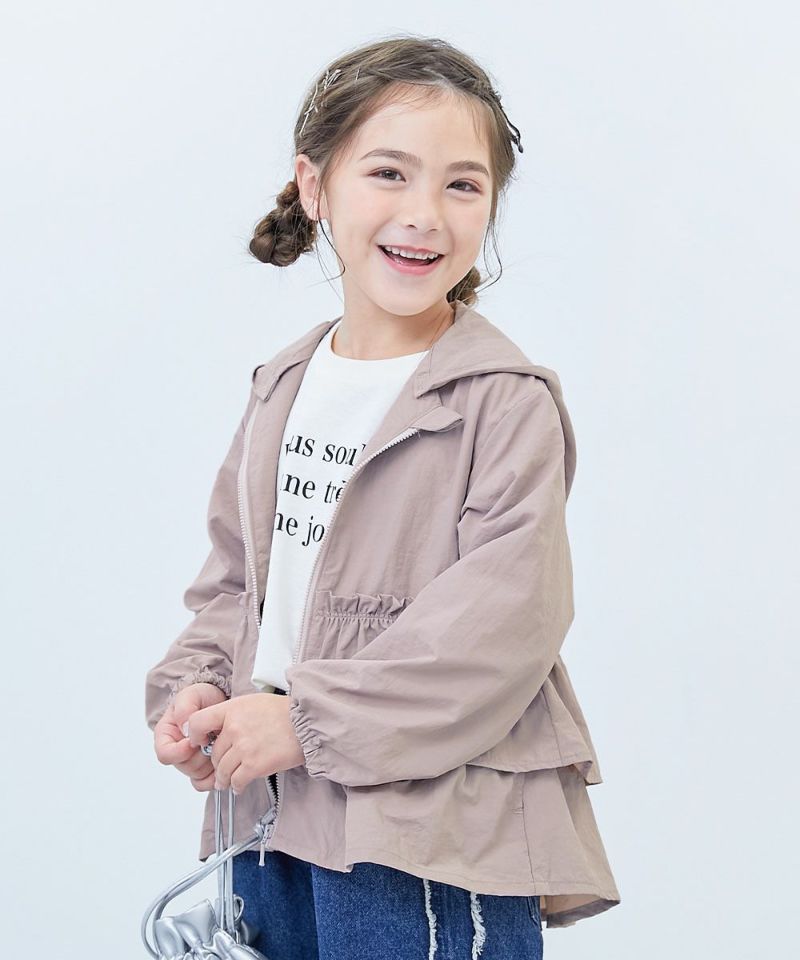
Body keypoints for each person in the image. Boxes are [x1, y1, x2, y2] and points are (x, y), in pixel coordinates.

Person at [145, 34, 621, 960]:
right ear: (314, 185)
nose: (424, 215)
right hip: (275, 818)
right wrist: (197, 685)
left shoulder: (501, 401)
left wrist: (303, 719)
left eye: (462, 184)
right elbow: (238, 580)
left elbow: (502, 626)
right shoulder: (284, 384)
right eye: (389, 173)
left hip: (429, 834)